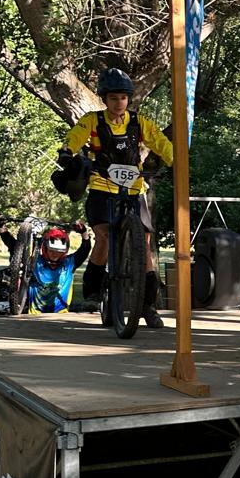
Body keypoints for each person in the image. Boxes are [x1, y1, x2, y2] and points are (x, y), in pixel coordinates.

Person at [55, 68, 173, 330]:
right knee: (105, 235)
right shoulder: (92, 121)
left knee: (144, 241)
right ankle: (94, 289)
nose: (118, 103)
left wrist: (176, 161)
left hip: (133, 188)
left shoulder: (139, 122)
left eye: (123, 98)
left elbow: (160, 141)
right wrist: (67, 152)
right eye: (113, 98)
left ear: (128, 99)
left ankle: (148, 306)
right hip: (102, 185)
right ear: (104, 100)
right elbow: (75, 137)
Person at [25, 223, 93, 314]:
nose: (55, 254)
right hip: (34, 314)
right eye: (51, 251)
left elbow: (85, 249)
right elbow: (16, 247)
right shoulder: (35, 261)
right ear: (45, 248)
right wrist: (3, 230)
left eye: (59, 251)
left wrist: (84, 233)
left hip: (61, 314)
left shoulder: (69, 263)